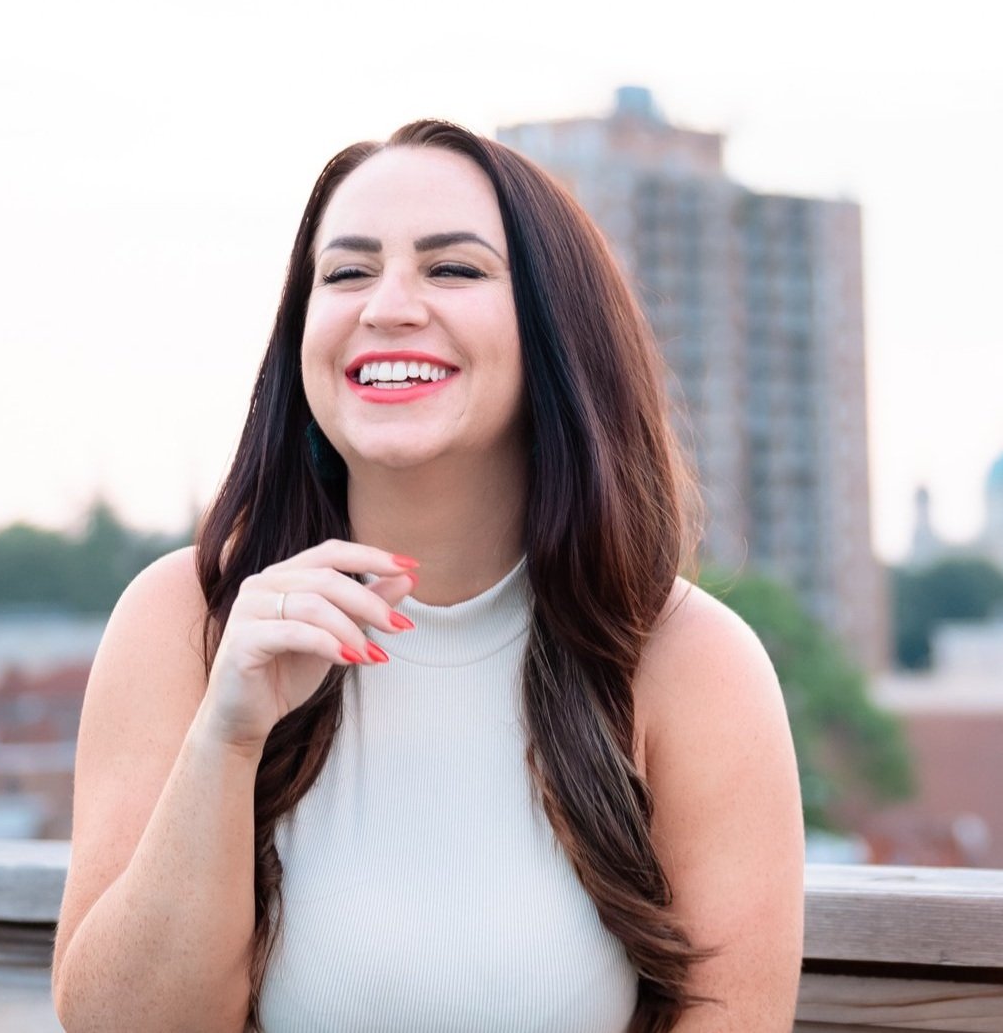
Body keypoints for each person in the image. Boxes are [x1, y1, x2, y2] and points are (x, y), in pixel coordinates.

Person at [50, 119, 805, 1033]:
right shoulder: (185, 619)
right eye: (347, 272)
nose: (389, 306)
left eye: (452, 268)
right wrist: (226, 738)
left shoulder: (690, 659)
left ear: (554, 329)